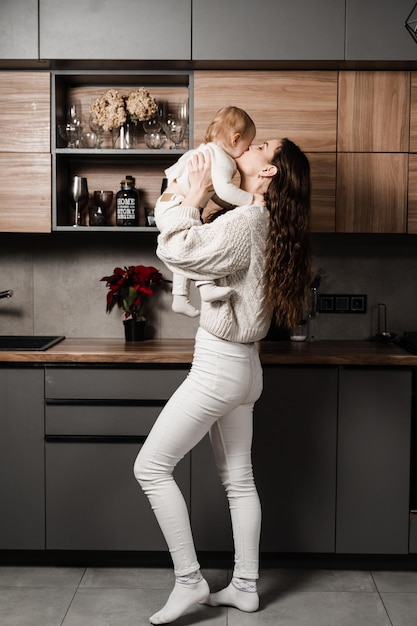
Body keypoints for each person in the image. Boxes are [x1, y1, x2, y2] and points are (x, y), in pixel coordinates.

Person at [134, 138, 312, 625]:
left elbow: (179, 249)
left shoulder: (249, 219)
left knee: (150, 468)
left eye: (261, 147)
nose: (247, 146)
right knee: (239, 480)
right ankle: (245, 587)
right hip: (246, 368)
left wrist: (187, 203)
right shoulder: (262, 219)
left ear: (270, 173)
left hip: (219, 366)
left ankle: (190, 581)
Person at [159, 106, 263, 318]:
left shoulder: (208, 152)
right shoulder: (222, 158)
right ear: (235, 140)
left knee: (191, 248)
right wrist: (251, 200)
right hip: (176, 206)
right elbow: (224, 189)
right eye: (248, 144)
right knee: (191, 247)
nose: (248, 149)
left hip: (168, 203)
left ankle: (182, 296)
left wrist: (230, 206)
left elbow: (214, 192)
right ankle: (200, 288)